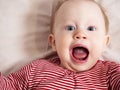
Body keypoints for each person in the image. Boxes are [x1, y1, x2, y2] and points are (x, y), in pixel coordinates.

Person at [0, 0, 120, 89]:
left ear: (105, 43)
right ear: (54, 42)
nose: (80, 34)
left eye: (91, 28)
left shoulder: (110, 73)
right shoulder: (36, 70)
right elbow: (9, 86)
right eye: (70, 27)